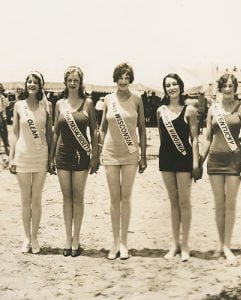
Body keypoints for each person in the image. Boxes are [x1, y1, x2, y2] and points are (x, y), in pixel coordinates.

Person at [200, 73, 241, 263]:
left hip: (234, 161)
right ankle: (220, 245)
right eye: (225, 86)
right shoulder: (212, 110)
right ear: (220, 88)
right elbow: (207, 138)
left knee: (230, 205)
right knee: (219, 204)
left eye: (231, 86)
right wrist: (199, 162)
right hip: (215, 160)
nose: (228, 89)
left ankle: (228, 246)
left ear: (235, 88)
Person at [99, 63, 147, 260]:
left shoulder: (137, 99)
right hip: (111, 153)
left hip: (130, 154)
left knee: (125, 198)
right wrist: (98, 151)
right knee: (113, 199)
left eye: (127, 77)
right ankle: (115, 242)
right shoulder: (108, 99)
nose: (123, 80)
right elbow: (102, 128)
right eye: (120, 76)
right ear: (115, 78)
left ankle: (124, 243)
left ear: (131, 79)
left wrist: (143, 156)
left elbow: (142, 129)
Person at [49, 66, 98, 257]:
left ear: (80, 83)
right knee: (66, 197)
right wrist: (51, 157)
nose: (72, 84)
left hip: (81, 155)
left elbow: (94, 131)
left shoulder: (88, 103)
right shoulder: (59, 104)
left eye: (75, 81)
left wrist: (95, 155)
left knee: (78, 197)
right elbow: (55, 132)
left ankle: (76, 239)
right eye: (69, 80)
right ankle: (67, 239)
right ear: (65, 82)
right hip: (62, 154)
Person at [157, 73, 201, 262]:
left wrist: (196, 163)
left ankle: (185, 245)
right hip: (166, 160)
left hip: (184, 159)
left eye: (175, 84)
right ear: (165, 89)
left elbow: (195, 138)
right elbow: (162, 137)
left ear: (180, 87)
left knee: (184, 202)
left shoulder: (189, 110)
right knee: (173, 203)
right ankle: (174, 244)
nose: (172, 87)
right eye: (168, 85)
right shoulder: (161, 111)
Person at [8, 71, 52, 254]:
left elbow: (49, 133)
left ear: (41, 85)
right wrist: (11, 157)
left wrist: (51, 159)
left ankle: (35, 237)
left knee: (37, 198)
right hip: (23, 156)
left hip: (41, 156)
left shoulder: (46, 105)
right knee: (25, 199)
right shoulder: (19, 105)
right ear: (26, 85)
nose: (32, 85)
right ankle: (26, 237)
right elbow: (15, 132)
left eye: (35, 82)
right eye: (29, 82)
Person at [0, 83, 10, 155]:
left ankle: (6, 147)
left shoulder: (2, 97)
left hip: (1, 116)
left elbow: (6, 105)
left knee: (4, 132)